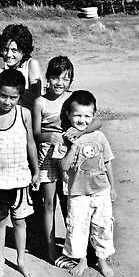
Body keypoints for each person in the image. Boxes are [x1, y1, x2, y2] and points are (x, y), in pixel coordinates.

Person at [32, 56, 102, 263]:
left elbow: (96, 122)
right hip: (46, 155)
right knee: (48, 204)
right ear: (47, 78)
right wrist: (48, 136)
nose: (59, 83)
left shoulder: (73, 99)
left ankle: (81, 247)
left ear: (71, 80)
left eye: (65, 78)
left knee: (74, 202)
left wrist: (80, 132)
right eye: (55, 77)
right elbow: (35, 133)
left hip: (71, 156)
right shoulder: (40, 102)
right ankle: (50, 247)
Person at [0, 69, 40, 277]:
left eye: (13, 97)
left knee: (20, 222)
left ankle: (21, 260)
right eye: (3, 96)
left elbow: (31, 143)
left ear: (20, 96)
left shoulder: (24, 114)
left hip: (20, 179)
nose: (7, 101)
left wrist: (36, 171)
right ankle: (0, 262)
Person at [59, 90, 117, 277]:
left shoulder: (99, 136)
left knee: (103, 225)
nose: (81, 120)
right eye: (77, 115)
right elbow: (64, 166)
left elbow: (107, 161)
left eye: (87, 116)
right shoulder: (65, 138)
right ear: (68, 115)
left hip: (101, 190)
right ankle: (81, 260)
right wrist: (74, 146)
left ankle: (102, 260)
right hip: (77, 192)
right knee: (77, 227)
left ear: (93, 115)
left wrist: (113, 187)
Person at [0, 24, 43, 108]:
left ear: (24, 50)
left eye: (14, 50)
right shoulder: (1, 62)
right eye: (5, 49)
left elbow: (37, 99)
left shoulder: (31, 64)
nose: (8, 54)